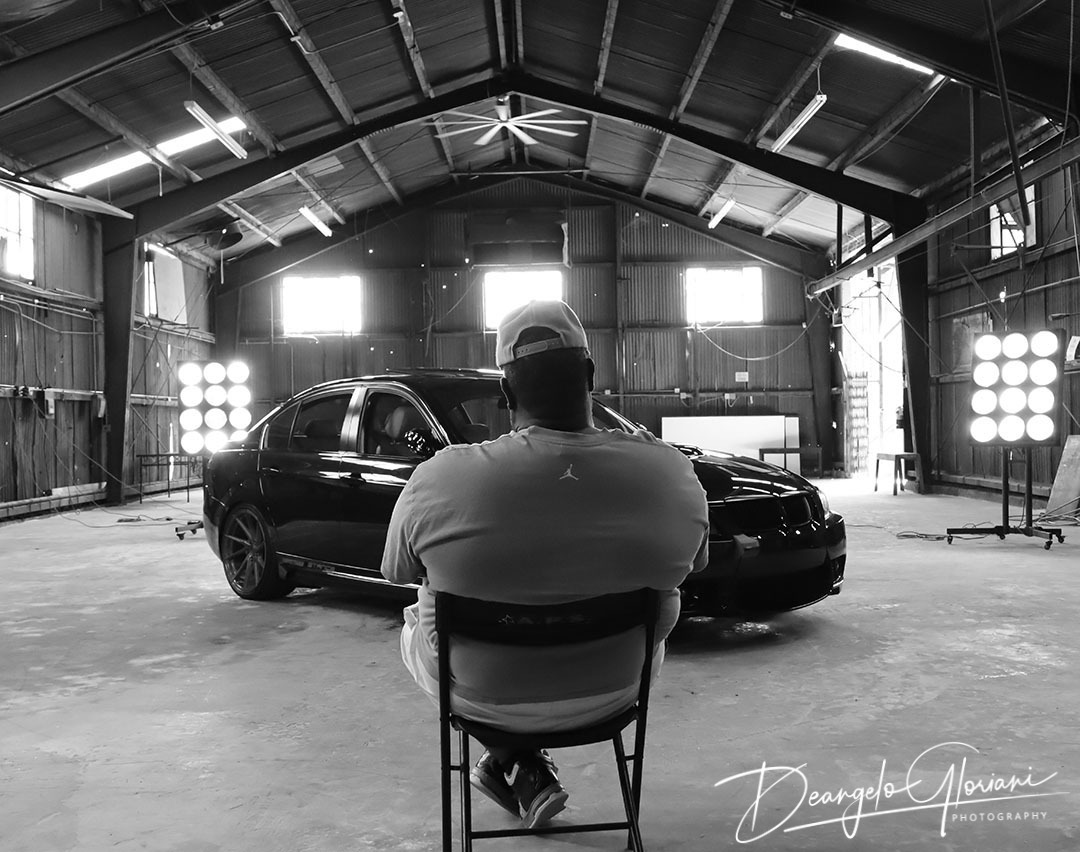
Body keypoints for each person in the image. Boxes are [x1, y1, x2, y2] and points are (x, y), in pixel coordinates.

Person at [381, 300, 709, 829]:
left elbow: (395, 570)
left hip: (481, 698)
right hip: (617, 691)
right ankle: (518, 764)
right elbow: (698, 561)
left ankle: (510, 756)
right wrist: (658, 463)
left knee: (419, 611)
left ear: (506, 392)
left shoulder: (441, 477)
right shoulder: (669, 471)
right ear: (590, 375)